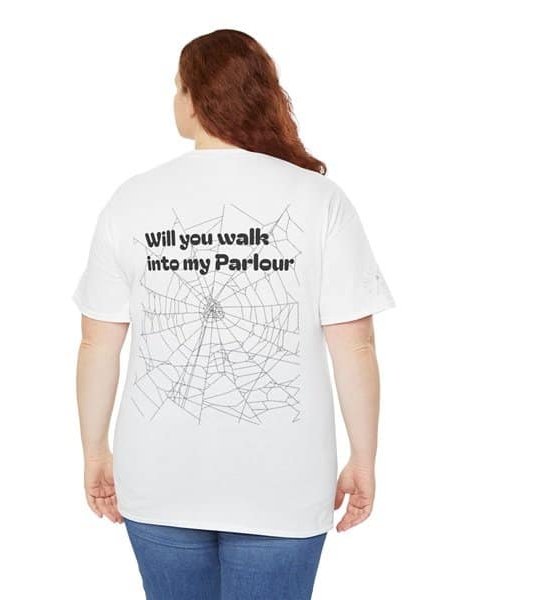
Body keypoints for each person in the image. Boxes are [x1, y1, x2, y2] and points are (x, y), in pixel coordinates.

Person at [72, 29, 396, 600]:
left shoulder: (132, 199)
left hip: (158, 477)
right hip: (287, 484)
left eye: (177, 87)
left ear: (196, 97)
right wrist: (363, 458)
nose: (174, 99)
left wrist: (95, 450)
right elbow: (356, 346)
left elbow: (98, 344)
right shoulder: (320, 199)